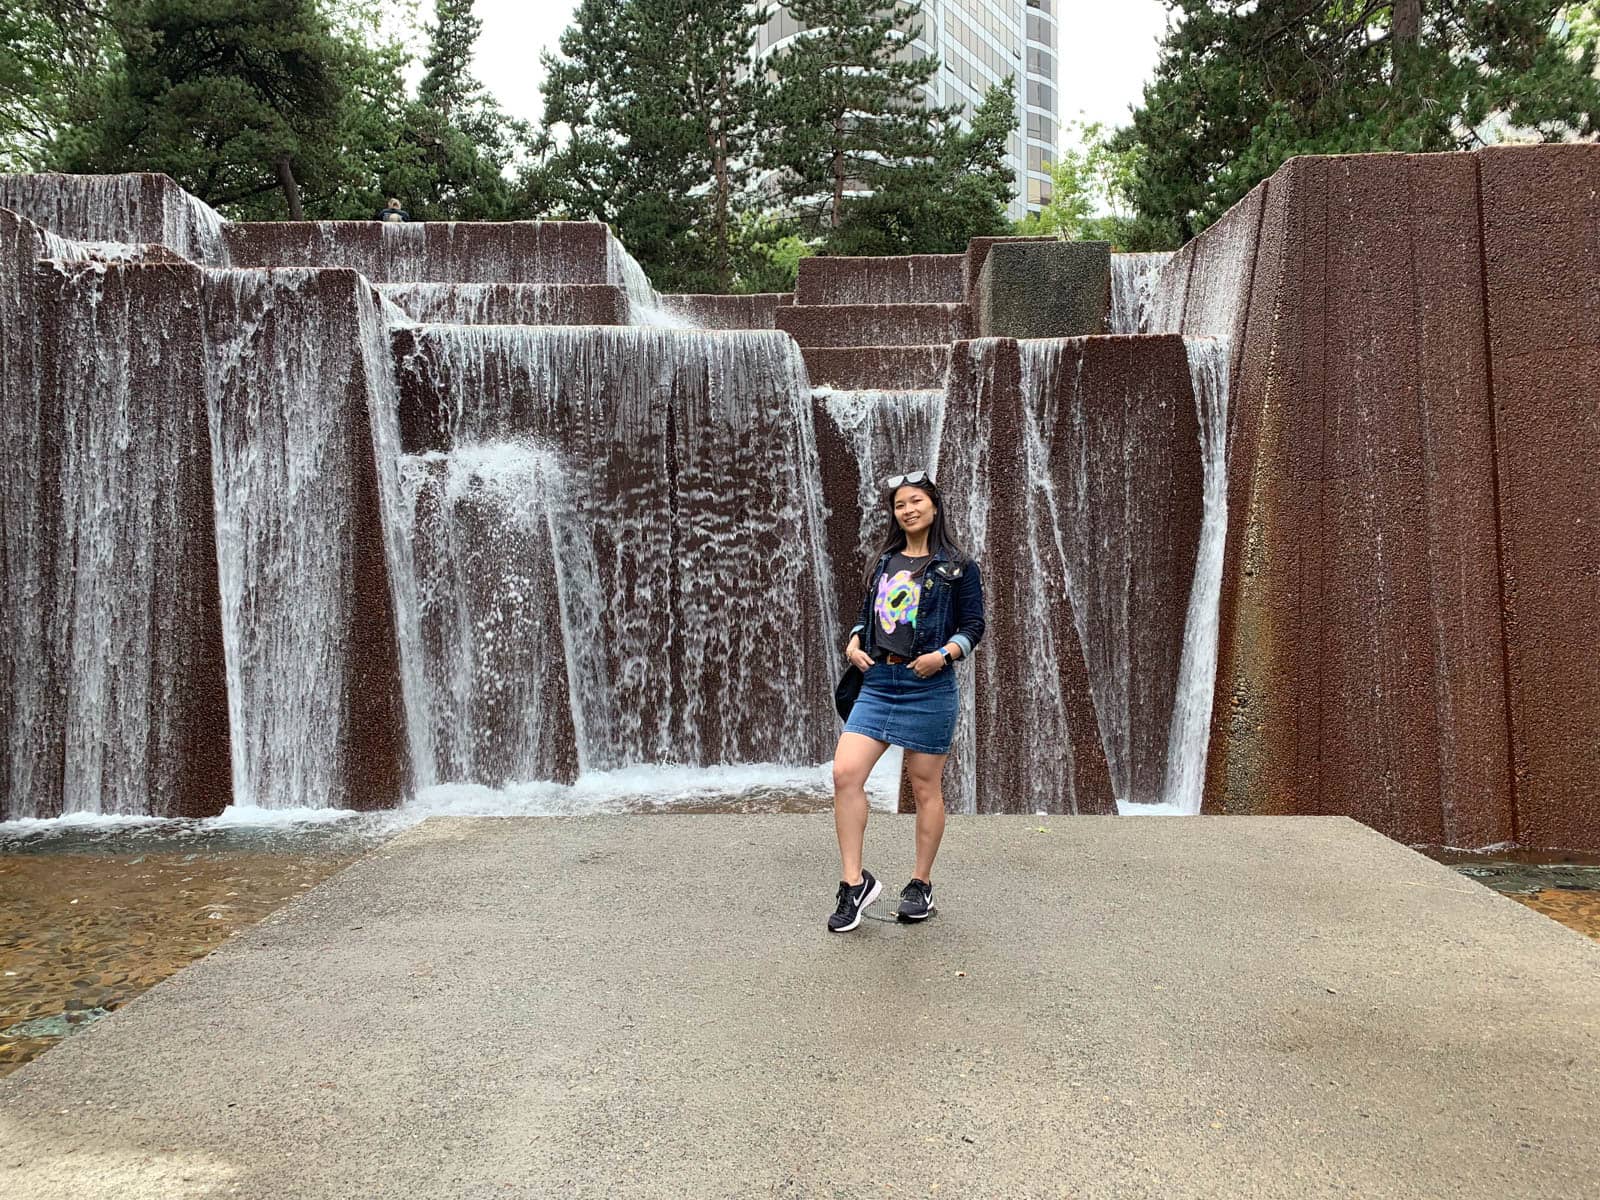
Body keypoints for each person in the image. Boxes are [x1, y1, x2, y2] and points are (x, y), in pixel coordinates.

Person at [828, 469, 985, 933]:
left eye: (915, 501)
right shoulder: (885, 562)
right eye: (900, 505)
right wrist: (855, 641)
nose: (908, 509)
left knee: (924, 789)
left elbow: (973, 625)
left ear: (933, 506)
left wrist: (943, 654)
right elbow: (866, 615)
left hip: (928, 686)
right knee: (845, 773)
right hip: (878, 681)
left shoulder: (959, 566)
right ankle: (853, 883)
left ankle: (920, 884)